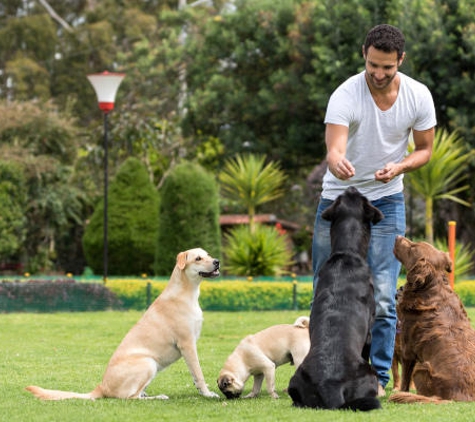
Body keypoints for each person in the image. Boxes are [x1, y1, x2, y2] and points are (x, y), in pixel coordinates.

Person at [311, 24, 436, 395]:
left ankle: (378, 379)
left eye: (387, 68)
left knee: (382, 294)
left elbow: (424, 149)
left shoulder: (418, 96)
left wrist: (400, 167)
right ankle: (322, 370)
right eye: (372, 66)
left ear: (401, 60)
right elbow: (335, 147)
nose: (379, 74)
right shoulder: (345, 94)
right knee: (325, 289)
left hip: (386, 201)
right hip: (338, 202)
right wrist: (336, 161)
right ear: (363, 54)